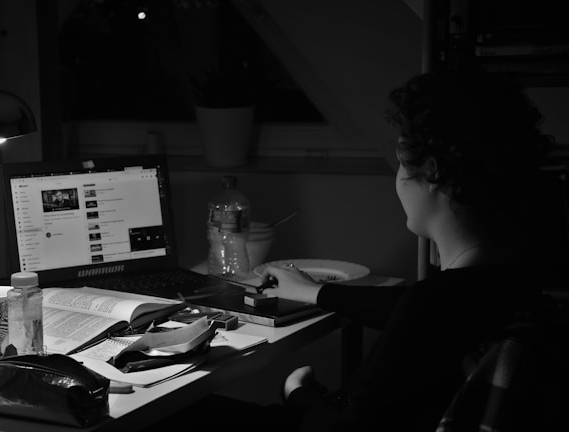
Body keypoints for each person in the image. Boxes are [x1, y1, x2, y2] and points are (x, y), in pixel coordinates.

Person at [146, 68, 558, 431]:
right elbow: (416, 311)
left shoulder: (433, 304)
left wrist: (298, 392)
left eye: (400, 162)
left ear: (430, 172)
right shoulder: (514, 277)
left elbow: (416, 319)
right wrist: (316, 292)